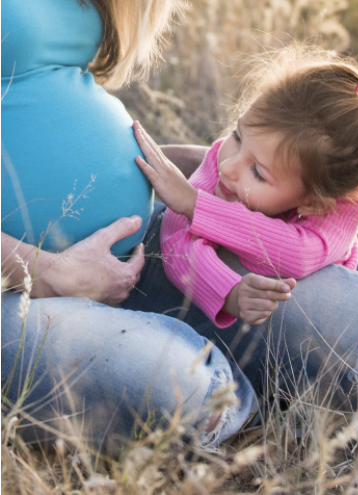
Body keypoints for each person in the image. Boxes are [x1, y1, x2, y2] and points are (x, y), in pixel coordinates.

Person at [1, 0, 256, 453]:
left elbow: (38, 92)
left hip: (130, 258)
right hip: (18, 289)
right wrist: (48, 272)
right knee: (187, 396)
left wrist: (183, 173)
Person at [123, 46, 358, 408]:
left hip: (339, 269)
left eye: (258, 172)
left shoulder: (340, 207)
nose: (228, 166)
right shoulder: (222, 164)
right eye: (238, 135)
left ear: (313, 203)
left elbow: (297, 254)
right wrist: (226, 291)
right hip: (258, 282)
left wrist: (198, 205)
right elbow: (176, 241)